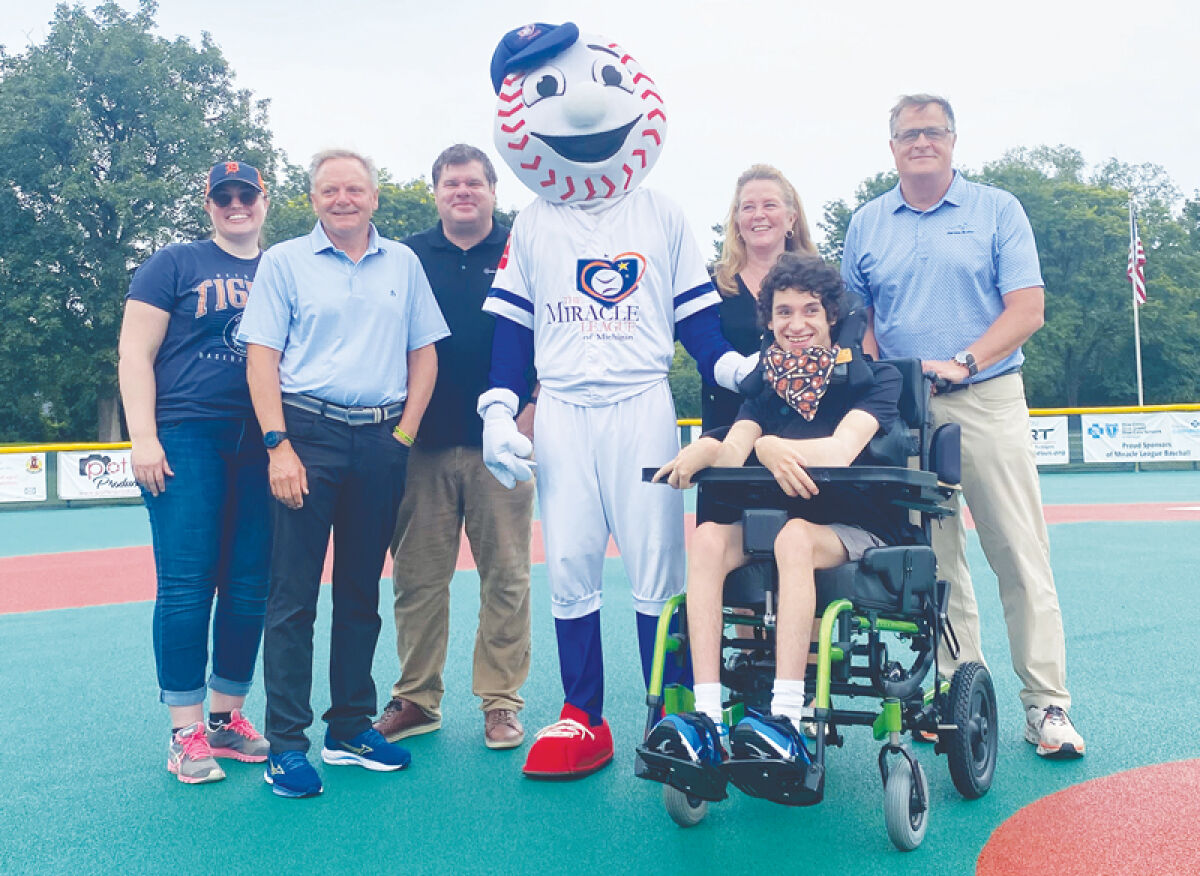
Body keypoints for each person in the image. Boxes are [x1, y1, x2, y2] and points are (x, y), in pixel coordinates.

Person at [478, 22, 759, 779]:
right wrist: (499, 408)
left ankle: (666, 709)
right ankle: (581, 713)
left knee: (656, 563)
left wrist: (728, 366)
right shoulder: (533, 222)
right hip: (565, 411)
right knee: (568, 559)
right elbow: (511, 329)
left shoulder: (661, 212)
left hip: (641, 402)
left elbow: (696, 313)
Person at [841, 93, 1084, 758]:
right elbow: (854, 317)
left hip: (986, 394)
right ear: (890, 146)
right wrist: (875, 370)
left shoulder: (997, 209)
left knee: (1018, 554)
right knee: (937, 565)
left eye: (932, 132)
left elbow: (1027, 308)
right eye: (907, 134)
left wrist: (964, 360)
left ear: (953, 140)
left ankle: (1048, 706)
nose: (921, 143)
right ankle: (957, 700)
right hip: (906, 413)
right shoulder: (867, 223)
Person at [238, 148, 450, 797]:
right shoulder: (284, 263)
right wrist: (278, 444)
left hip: (381, 440)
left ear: (374, 197)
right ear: (313, 198)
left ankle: (351, 728)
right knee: (294, 597)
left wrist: (404, 436)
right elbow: (261, 358)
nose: (343, 198)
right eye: (329, 189)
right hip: (306, 435)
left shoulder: (404, 264)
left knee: (360, 592)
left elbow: (425, 355)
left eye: (354, 188)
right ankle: (286, 745)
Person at [650, 253, 901, 760]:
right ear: (769, 321)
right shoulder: (767, 384)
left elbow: (837, 451)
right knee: (707, 538)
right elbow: (736, 449)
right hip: (786, 523)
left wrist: (769, 447)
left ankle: (786, 714)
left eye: (810, 310)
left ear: (833, 316)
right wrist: (706, 447)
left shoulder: (877, 379)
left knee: (794, 537)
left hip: (857, 526)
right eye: (784, 312)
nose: (797, 323)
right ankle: (708, 715)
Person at [374, 144, 534, 751]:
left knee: (508, 578)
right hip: (423, 442)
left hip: (505, 445)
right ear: (435, 191)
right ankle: (417, 697)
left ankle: (500, 702)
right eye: (451, 184)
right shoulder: (405, 254)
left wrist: (533, 414)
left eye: (474, 183)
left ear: (494, 190)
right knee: (417, 580)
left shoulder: (524, 247)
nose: (462, 192)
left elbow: (548, 330)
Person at [118, 160, 273, 784]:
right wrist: (144, 437)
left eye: (246, 195)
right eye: (223, 196)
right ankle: (184, 732)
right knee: (186, 584)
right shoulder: (174, 264)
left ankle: (225, 718)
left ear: (264, 201)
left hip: (261, 438)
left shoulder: (281, 268)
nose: (236, 204)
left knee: (247, 586)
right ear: (209, 206)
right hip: (187, 434)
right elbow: (135, 351)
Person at [705, 165, 818, 433]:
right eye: (748, 207)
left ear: (791, 218)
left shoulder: (818, 282)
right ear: (736, 220)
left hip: (800, 434)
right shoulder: (709, 284)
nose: (759, 215)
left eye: (770, 205)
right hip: (725, 433)